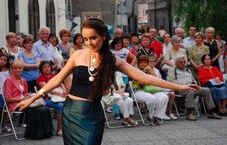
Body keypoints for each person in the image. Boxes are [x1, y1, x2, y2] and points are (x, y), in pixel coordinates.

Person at [15, 18, 198, 145]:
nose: (89, 42)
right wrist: (32, 99)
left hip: (93, 114)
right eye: (85, 39)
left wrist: (179, 86)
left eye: (93, 38)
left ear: (103, 36)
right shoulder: (77, 55)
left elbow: (145, 77)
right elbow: (56, 79)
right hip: (72, 113)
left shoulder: (113, 60)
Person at [3, 60, 53, 139]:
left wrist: (28, 96)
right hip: (15, 104)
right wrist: (22, 99)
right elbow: (8, 99)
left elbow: (25, 94)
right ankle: (34, 135)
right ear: (11, 69)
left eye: (19, 68)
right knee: (38, 110)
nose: (17, 70)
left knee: (45, 109)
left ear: (22, 69)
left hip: (25, 102)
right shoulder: (8, 81)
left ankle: (45, 133)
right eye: (15, 68)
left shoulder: (23, 80)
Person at [168, 55, 221, 120]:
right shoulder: (172, 70)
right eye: (181, 62)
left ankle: (211, 112)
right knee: (191, 91)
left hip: (191, 87)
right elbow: (171, 82)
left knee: (207, 90)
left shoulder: (187, 70)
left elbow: (193, 80)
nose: (183, 64)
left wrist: (195, 84)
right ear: (176, 63)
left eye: (184, 62)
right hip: (181, 88)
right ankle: (189, 113)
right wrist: (185, 85)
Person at [37, 61, 67, 136]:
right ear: (41, 69)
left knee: (69, 104)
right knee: (60, 106)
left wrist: (64, 91)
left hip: (57, 98)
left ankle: (67, 128)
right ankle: (59, 129)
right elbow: (48, 89)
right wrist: (60, 94)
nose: (47, 68)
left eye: (48, 66)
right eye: (44, 67)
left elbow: (61, 84)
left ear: (51, 67)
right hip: (45, 99)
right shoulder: (40, 78)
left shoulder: (54, 75)